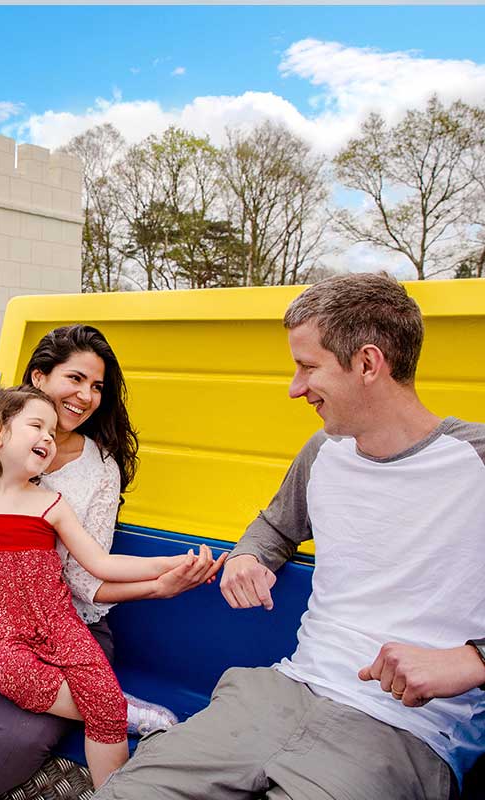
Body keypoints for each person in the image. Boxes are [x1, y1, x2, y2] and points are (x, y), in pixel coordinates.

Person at [94, 273, 485, 800]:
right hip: (280, 692)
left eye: (307, 367)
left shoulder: (476, 461)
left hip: (405, 731)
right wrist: (249, 557)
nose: (294, 388)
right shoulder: (324, 450)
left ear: (368, 364)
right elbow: (275, 526)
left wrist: (472, 660)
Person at [0, 323, 227, 800]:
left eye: (97, 386)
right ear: (38, 378)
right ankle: (113, 707)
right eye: (75, 378)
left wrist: (161, 577)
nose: (86, 396)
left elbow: (92, 571)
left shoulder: (87, 477)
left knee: (21, 733)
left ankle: (112, 720)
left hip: (61, 619)